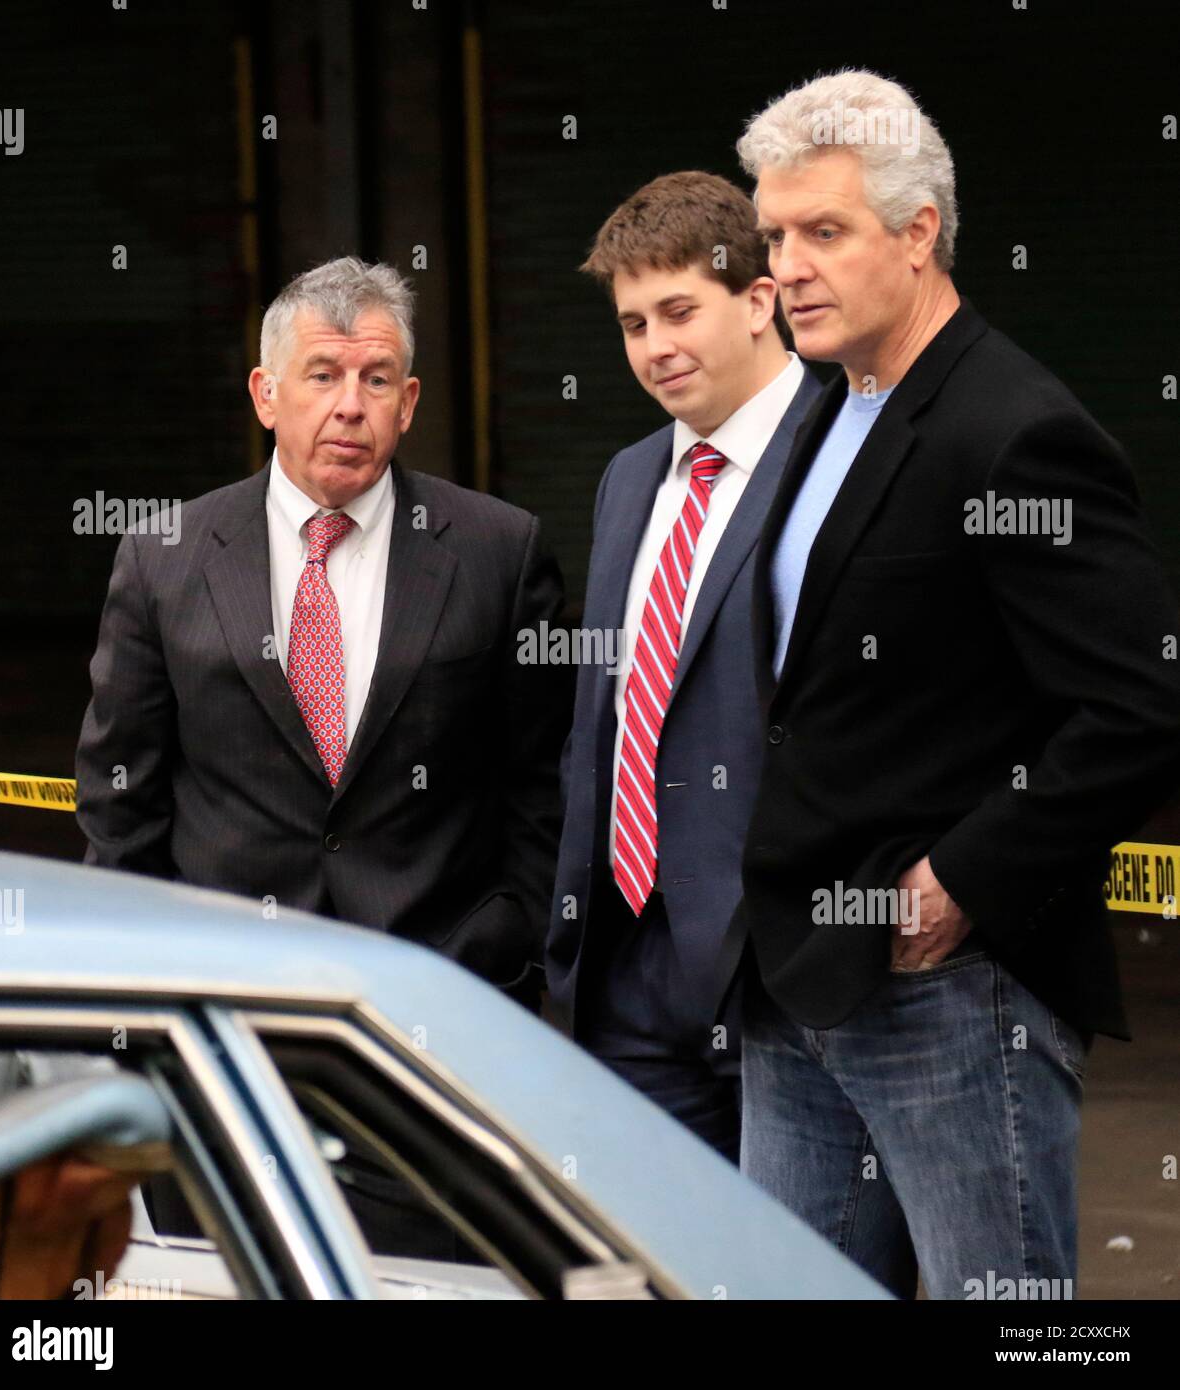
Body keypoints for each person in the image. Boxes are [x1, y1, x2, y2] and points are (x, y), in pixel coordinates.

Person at [729, 69, 1180, 1296]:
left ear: (919, 232)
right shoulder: (825, 405)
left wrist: (957, 887)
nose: (790, 267)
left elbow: (1140, 708)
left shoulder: (1014, 428)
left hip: (949, 996)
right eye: (775, 236)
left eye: (825, 231)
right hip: (793, 978)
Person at [76, 256, 569, 1254]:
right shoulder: (164, 555)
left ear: (410, 399)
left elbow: (543, 783)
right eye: (322, 375)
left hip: (438, 1034)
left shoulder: (496, 549)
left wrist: (505, 946)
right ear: (265, 393)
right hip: (223, 1038)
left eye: (376, 378)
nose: (350, 405)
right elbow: (118, 801)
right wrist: (139, 1010)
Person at [546, 172, 822, 1161]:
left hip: (783, 973)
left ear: (759, 300)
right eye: (631, 324)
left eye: (678, 311)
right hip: (627, 965)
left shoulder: (846, 457)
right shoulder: (629, 478)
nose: (655, 347)